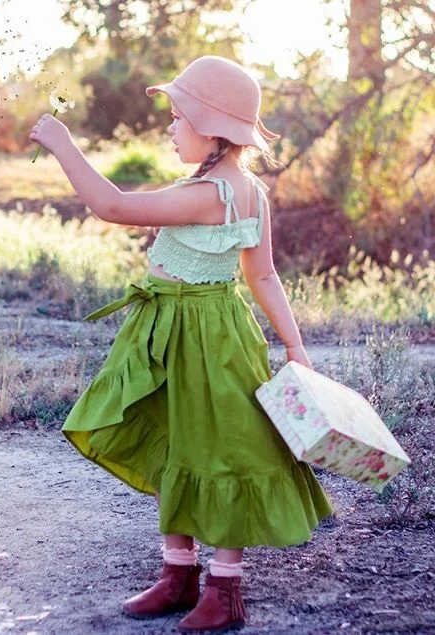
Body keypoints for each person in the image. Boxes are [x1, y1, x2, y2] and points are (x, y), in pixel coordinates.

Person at [29, 55, 334, 633]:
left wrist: (63, 144)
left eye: (177, 117)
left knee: (221, 447)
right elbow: (262, 277)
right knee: (180, 442)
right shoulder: (246, 191)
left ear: (212, 126)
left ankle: (224, 590)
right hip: (180, 330)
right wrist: (291, 343)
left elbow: (114, 207)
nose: (169, 127)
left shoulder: (213, 194)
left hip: (203, 336)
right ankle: (179, 574)